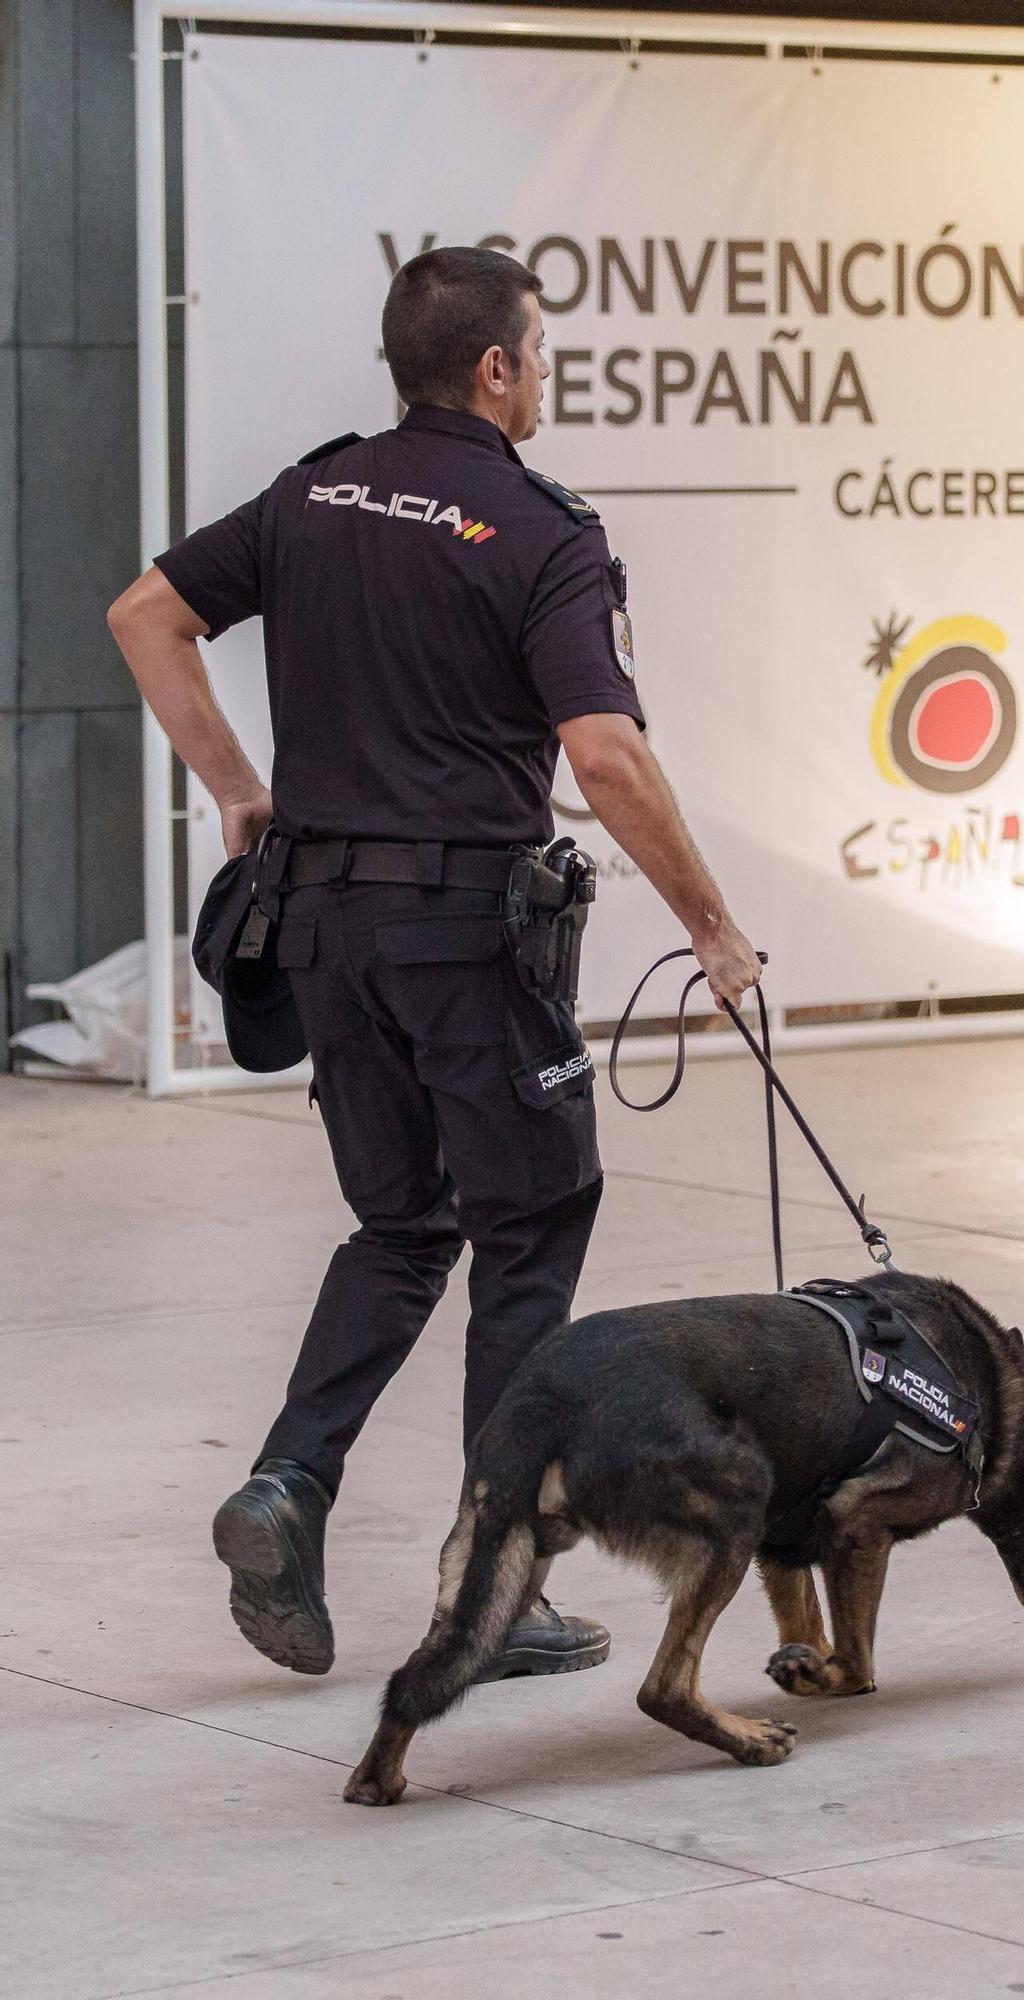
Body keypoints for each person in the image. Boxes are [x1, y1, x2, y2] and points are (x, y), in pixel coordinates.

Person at [107, 247, 761, 1682]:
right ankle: (497, 1581)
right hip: (469, 932)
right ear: (495, 369)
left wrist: (240, 792)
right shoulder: (539, 529)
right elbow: (603, 752)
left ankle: (288, 1482)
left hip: (327, 928)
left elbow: (143, 615)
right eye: (541, 348)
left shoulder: (313, 492)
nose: (546, 371)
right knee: (531, 1220)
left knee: (403, 1227)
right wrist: (710, 923)